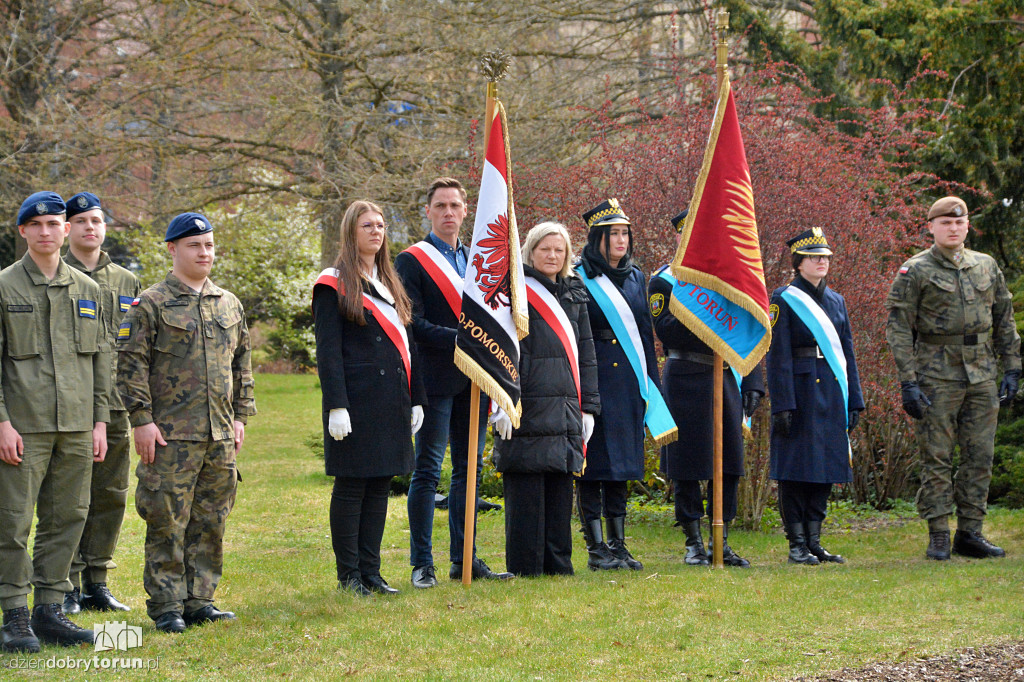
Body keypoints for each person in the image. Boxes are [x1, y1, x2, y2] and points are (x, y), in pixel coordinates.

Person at [117, 212, 255, 633]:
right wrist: (141, 419)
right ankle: (166, 605)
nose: (204, 252)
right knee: (166, 519)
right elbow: (130, 364)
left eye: (210, 245)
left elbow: (242, 364)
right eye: (195, 245)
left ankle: (200, 600)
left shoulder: (228, 303)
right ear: (173, 249)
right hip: (169, 435)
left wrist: (240, 417)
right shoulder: (151, 304)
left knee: (212, 519)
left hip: (218, 434)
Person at [0, 192, 109, 652]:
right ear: (22, 231)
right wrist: (1, 422)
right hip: (23, 426)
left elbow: (101, 362)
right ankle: (15, 614)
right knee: (13, 520)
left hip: (79, 425)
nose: (46, 231)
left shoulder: (88, 290)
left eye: (54, 224)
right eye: (36, 224)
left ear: (66, 231)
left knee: (68, 517)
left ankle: (50, 609)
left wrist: (100, 422)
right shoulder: (4, 286)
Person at [885, 196, 1020, 560]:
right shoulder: (915, 271)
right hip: (935, 374)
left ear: (967, 226)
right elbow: (898, 329)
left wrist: (1012, 367)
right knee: (937, 455)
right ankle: (940, 533)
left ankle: (971, 532)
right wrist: (908, 381)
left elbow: (1004, 318)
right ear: (931, 227)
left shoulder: (986, 266)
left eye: (959, 223)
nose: (954, 228)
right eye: (945, 222)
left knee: (980, 455)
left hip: (981, 373)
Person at [395, 177, 512, 587]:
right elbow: (412, 320)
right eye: (440, 205)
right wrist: (462, 341)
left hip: (475, 380)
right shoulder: (411, 260)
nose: (448, 212)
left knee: (469, 473)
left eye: (455, 206)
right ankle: (421, 563)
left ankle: (465, 559)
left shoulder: (479, 259)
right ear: (427, 212)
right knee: (428, 471)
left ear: (466, 212)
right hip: (435, 379)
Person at [312, 200, 427, 596]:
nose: (376, 232)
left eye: (380, 226)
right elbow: (327, 351)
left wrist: (417, 398)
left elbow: (409, 345)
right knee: (351, 487)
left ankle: (372, 572)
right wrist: (336, 405)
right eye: (367, 225)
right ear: (351, 231)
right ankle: (349, 576)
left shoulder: (390, 280)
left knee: (379, 485)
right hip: (355, 401)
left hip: (392, 397)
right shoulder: (333, 282)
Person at [648, 210, 765, 567]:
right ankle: (693, 541)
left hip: (726, 377)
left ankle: (721, 538)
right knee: (686, 464)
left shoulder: (730, 280)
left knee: (728, 462)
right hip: (685, 376)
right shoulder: (663, 281)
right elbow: (668, 329)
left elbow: (749, 330)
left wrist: (755, 381)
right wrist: (707, 311)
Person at [490, 222, 599, 577]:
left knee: (558, 488)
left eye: (559, 250)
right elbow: (498, 349)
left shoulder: (575, 292)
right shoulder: (512, 290)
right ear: (530, 251)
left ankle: (558, 565)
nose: (552, 256)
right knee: (526, 488)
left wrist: (590, 408)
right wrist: (500, 401)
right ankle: (525, 568)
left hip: (566, 406)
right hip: (525, 404)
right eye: (544, 249)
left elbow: (587, 354)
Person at [575, 198, 673, 572]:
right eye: (613, 233)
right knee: (593, 463)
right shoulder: (578, 275)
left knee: (623, 465)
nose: (621, 240)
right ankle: (596, 547)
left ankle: (618, 543)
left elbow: (645, 335)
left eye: (624, 233)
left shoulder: (636, 276)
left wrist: (652, 384)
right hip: (595, 377)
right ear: (597, 237)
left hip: (630, 382)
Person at [61, 192, 140, 615]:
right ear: (67, 228)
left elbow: (140, 345)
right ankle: (67, 583)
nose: (91, 227)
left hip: (116, 406)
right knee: (72, 496)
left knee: (110, 494)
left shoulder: (127, 281)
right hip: (71, 406)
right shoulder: (57, 274)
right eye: (81, 221)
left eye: (97, 220)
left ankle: (97, 581)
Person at [767, 227, 864, 565]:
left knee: (825, 468)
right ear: (799, 262)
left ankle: (815, 541)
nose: (822, 262)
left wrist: (855, 399)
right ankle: (796, 544)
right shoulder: (783, 298)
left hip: (832, 393)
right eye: (814, 257)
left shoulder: (836, 300)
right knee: (796, 470)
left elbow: (847, 352)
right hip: (800, 393)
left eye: (825, 257)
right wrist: (782, 404)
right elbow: (776, 355)